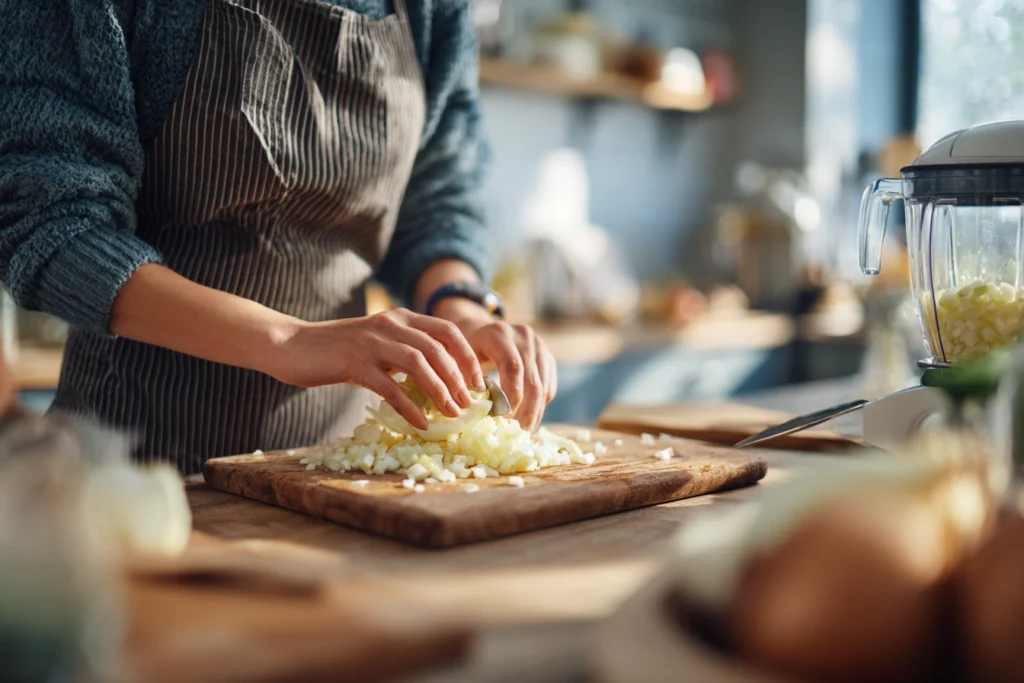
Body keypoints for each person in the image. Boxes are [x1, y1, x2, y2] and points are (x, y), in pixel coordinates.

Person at [1, 0, 557, 474]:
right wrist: (288, 341)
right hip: (130, 470)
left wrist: (461, 308)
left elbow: (436, 188)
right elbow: (48, 218)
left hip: (338, 467)